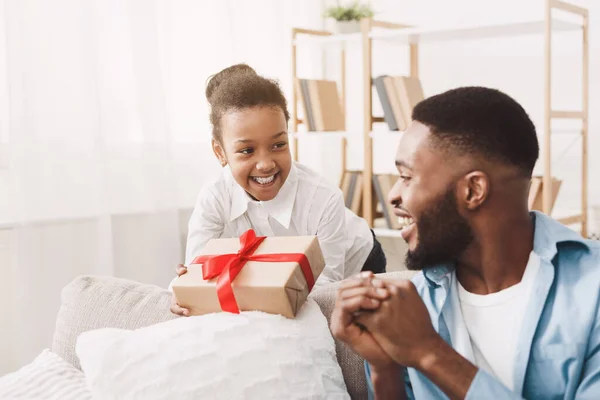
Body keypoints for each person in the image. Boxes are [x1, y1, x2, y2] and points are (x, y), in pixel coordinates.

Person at [330, 86, 600, 399]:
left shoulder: (591, 291)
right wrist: (384, 366)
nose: (393, 195)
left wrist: (430, 353)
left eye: (406, 177)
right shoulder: (414, 305)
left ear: (473, 190)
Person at [170, 64, 386, 316]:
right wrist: (185, 291)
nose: (265, 164)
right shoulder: (215, 195)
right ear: (220, 152)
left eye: (278, 144)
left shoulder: (323, 197)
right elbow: (196, 270)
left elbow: (325, 286)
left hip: (357, 261)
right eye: (247, 150)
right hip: (282, 273)